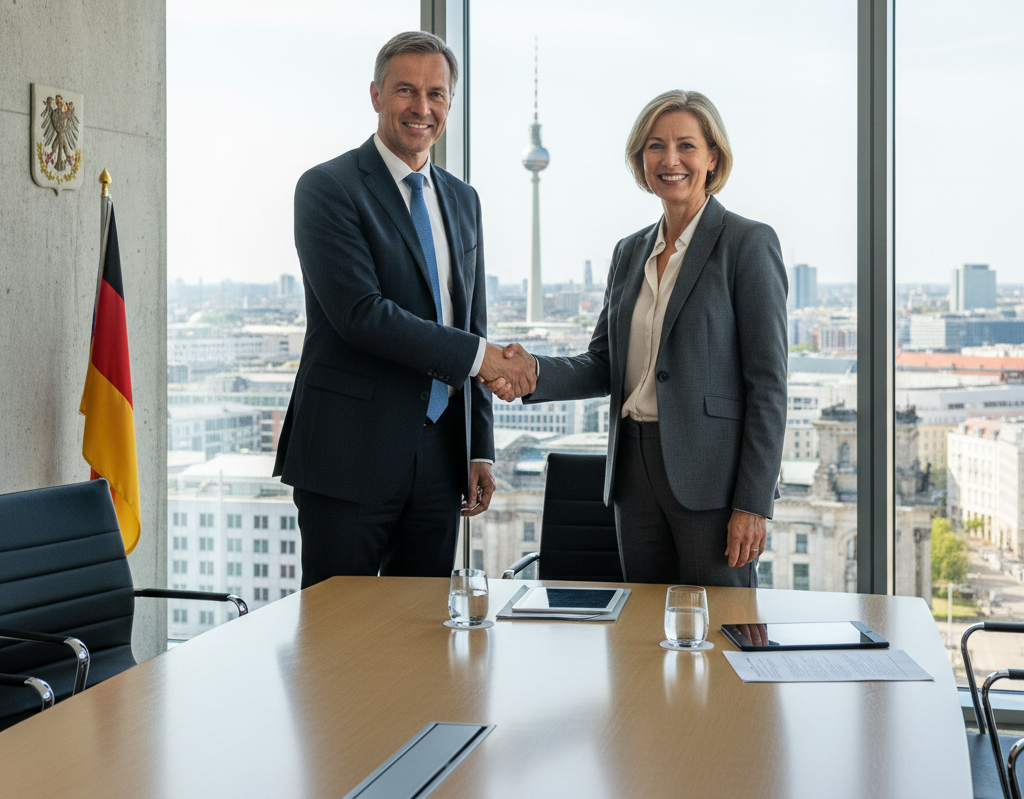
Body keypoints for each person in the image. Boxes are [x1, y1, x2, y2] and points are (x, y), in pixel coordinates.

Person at [483, 89, 787, 586]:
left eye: (686, 146)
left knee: (716, 622)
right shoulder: (630, 252)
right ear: (640, 158)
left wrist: (753, 503)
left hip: (710, 480)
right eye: (655, 146)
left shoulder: (746, 243)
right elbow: (605, 363)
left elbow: (768, 386)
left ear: (713, 157)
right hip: (633, 473)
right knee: (642, 623)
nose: (670, 160)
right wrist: (532, 371)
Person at [274, 31, 536, 586]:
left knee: (423, 628)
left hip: (441, 460)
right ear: (376, 95)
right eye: (405, 91)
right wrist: (484, 357)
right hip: (349, 453)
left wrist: (480, 449)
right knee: (336, 629)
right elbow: (362, 314)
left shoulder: (463, 199)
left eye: (436, 94)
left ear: (449, 103)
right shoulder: (327, 188)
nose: (422, 108)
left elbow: (470, 322)